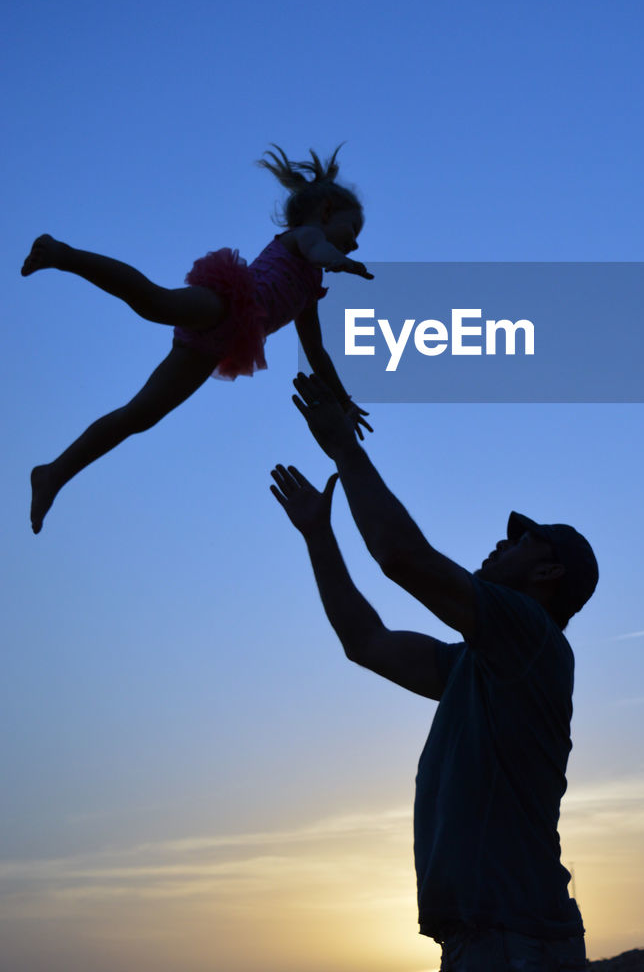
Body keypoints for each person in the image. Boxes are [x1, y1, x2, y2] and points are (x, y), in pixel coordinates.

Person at [270, 372, 599, 972]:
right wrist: (320, 535)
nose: (503, 543)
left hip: (518, 943)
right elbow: (365, 641)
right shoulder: (479, 663)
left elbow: (402, 557)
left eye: (523, 540)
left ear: (548, 575)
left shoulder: (529, 632)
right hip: (490, 939)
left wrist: (345, 447)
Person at [22, 146, 372, 533]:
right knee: (157, 302)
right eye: (351, 231)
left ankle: (54, 473)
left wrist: (343, 399)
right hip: (227, 301)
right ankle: (63, 254)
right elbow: (320, 249)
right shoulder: (303, 238)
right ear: (325, 213)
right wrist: (341, 261)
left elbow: (316, 351)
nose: (354, 243)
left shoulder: (311, 290)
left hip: (222, 344)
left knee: (140, 415)